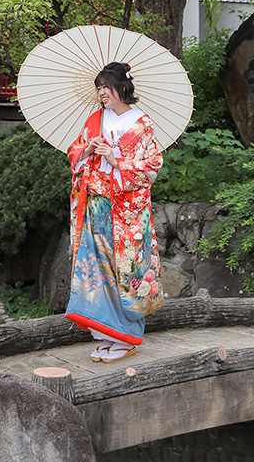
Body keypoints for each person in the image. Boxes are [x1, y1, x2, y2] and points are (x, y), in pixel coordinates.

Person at [64, 61, 163, 362]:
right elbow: (74, 152)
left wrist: (117, 159)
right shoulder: (95, 119)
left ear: (122, 87)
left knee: (126, 270)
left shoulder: (142, 123)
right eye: (99, 88)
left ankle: (127, 336)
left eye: (106, 87)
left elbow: (152, 166)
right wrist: (88, 151)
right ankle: (105, 334)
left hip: (127, 213)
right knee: (97, 268)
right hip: (95, 205)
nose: (101, 93)